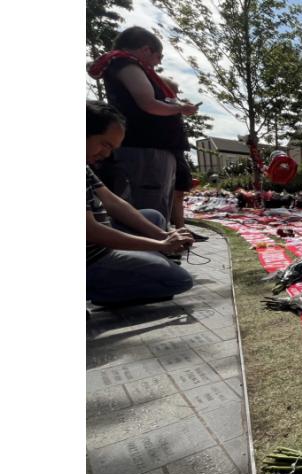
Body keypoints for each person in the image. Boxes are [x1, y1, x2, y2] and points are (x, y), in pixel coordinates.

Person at [86, 101, 194, 307]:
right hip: (92, 257)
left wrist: (163, 236)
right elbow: (91, 231)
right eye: (105, 144)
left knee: (154, 217)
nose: (106, 154)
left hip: (99, 244)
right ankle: (98, 290)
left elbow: (114, 203)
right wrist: (160, 244)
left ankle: (150, 257)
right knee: (179, 280)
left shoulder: (85, 166)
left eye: (112, 148)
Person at [87, 26, 198, 227]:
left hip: (152, 148)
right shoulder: (126, 64)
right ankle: (155, 252)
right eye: (158, 56)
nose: (159, 62)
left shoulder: (134, 67)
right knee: (150, 205)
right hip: (146, 150)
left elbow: (168, 87)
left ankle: (159, 248)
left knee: (157, 205)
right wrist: (180, 108)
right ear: (146, 50)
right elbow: (148, 103)